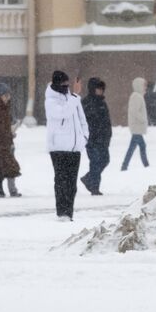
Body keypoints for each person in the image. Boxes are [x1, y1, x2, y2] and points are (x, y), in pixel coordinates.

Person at [45, 70, 89, 221]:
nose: (66, 87)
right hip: (58, 148)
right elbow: (63, 113)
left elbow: (81, 118)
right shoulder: (51, 101)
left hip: (74, 148)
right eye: (63, 84)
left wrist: (84, 137)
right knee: (61, 182)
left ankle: (69, 213)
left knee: (72, 184)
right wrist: (75, 95)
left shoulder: (72, 98)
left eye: (67, 84)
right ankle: (62, 213)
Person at [81, 77, 113, 195]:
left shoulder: (103, 103)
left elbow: (107, 122)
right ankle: (94, 187)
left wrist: (108, 135)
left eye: (101, 89)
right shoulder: (86, 103)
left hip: (103, 139)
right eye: (98, 89)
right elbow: (83, 121)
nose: (100, 91)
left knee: (105, 160)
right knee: (95, 162)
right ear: (92, 89)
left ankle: (88, 178)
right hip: (91, 139)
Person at [121, 76, 150, 170]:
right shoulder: (136, 97)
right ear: (139, 85)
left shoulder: (138, 96)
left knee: (137, 146)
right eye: (144, 85)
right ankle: (145, 165)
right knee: (138, 146)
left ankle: (125, 165)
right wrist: (143, 119)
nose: (145, 87)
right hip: (137, 126)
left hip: (137, 127)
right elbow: (135, 111)